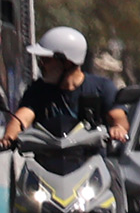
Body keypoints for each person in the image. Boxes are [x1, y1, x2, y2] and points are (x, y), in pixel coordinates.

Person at [3, 28, 131, 146]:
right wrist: (8, 138)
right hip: (46, 162)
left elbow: (118, 117)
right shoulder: (38, 90)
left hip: (91, 162)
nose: (41, 65)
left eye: (46, 60)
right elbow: (22, 118)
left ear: (67, 62)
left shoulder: (102, 88)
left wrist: (118, 128)